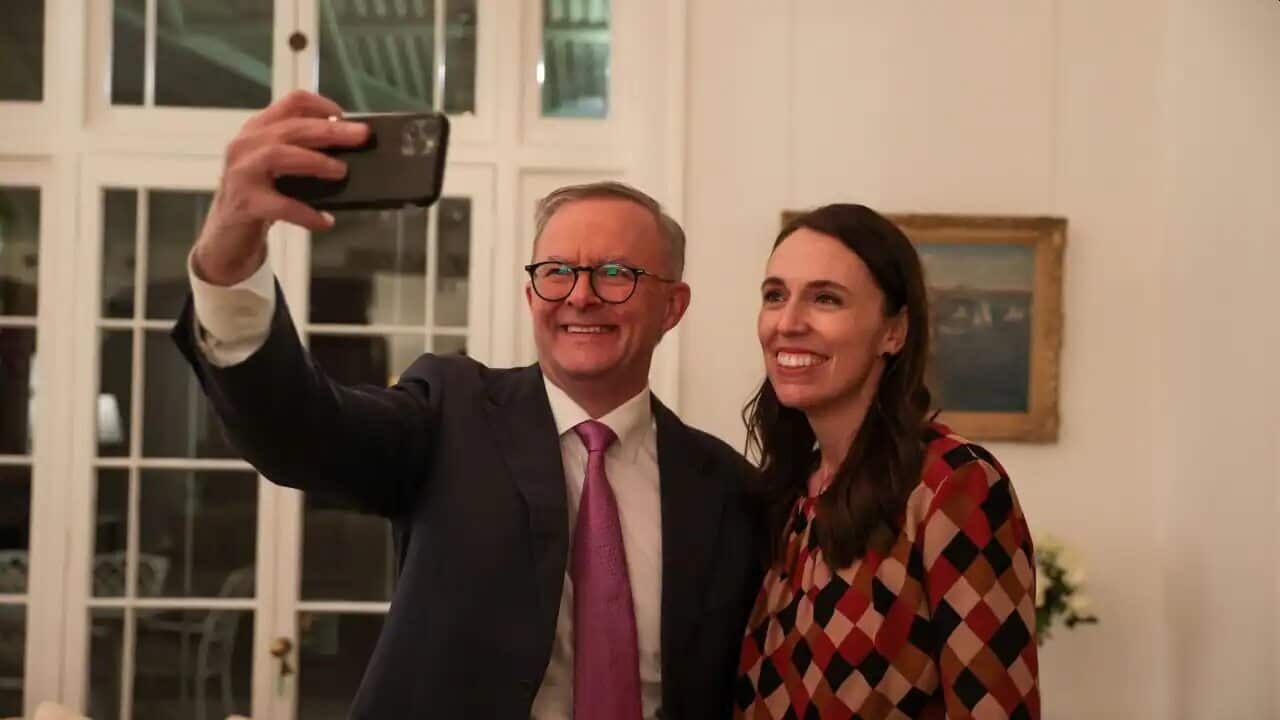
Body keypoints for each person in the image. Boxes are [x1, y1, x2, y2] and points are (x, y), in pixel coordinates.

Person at [171, 90, 760, 719]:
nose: (581, 297)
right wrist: (229, 261)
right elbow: (299, 433)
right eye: (556, 271)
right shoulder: (451, 412)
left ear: (673, 306)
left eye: (616, 274)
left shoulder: (727, 490)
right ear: (532, 296)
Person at [735, 204, 1039, 719]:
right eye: (775, 296)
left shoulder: (953, 484)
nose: (788, 323)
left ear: (893, 332)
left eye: (825, 298)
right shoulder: (786, 492)